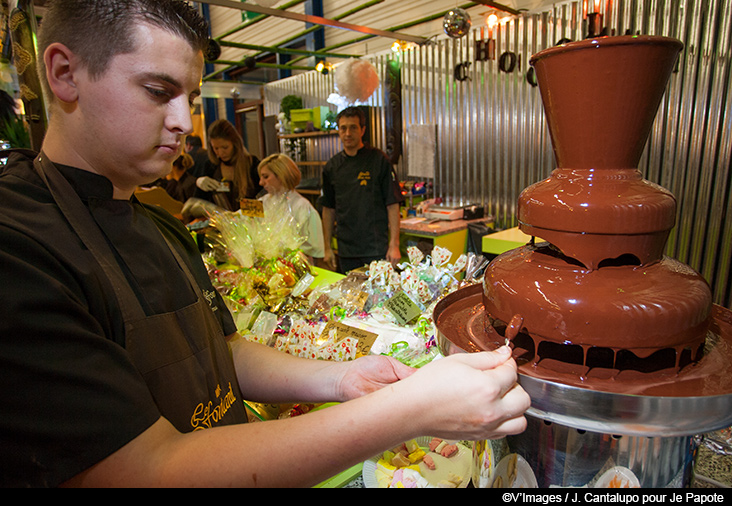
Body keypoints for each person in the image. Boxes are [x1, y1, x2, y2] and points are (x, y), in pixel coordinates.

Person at [0, 0, 530, 488]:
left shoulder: (157, 226)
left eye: (190, 95)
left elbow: (221, 352)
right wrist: (410, 410)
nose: (186, 122)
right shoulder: (19, 249)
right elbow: (147, 469)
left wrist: (343, 378)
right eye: (159, 92)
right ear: (65, 74)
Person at [321, 106, 403, 273]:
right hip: (346, 250)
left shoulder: (379, 160)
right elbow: (328, 209)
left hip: (375, 248)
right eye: (343, 128)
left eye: (353, 127)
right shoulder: (332, 166)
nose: (348, 133)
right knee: (351, 298)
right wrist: (327, 247)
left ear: (363, 130)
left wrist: (394, 245)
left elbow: (392, 204)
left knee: (379, 297)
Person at [258, 153, 325, 262]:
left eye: (266, 177)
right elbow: (241, 217)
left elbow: (315, 247)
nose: (261, 182)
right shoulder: (263, 202)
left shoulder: (302, 206)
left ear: (281, 175)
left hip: (296, 268)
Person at [193, 118, 262, 211]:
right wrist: (198, 183)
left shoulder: (252, 164)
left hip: (249, 221)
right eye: (216, 148)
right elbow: (199, 201)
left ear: (235, 143)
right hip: (219, 222)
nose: (220, 153)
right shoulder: (210, 166)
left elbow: (264, 201)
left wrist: (241, 214)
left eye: (225, 147)